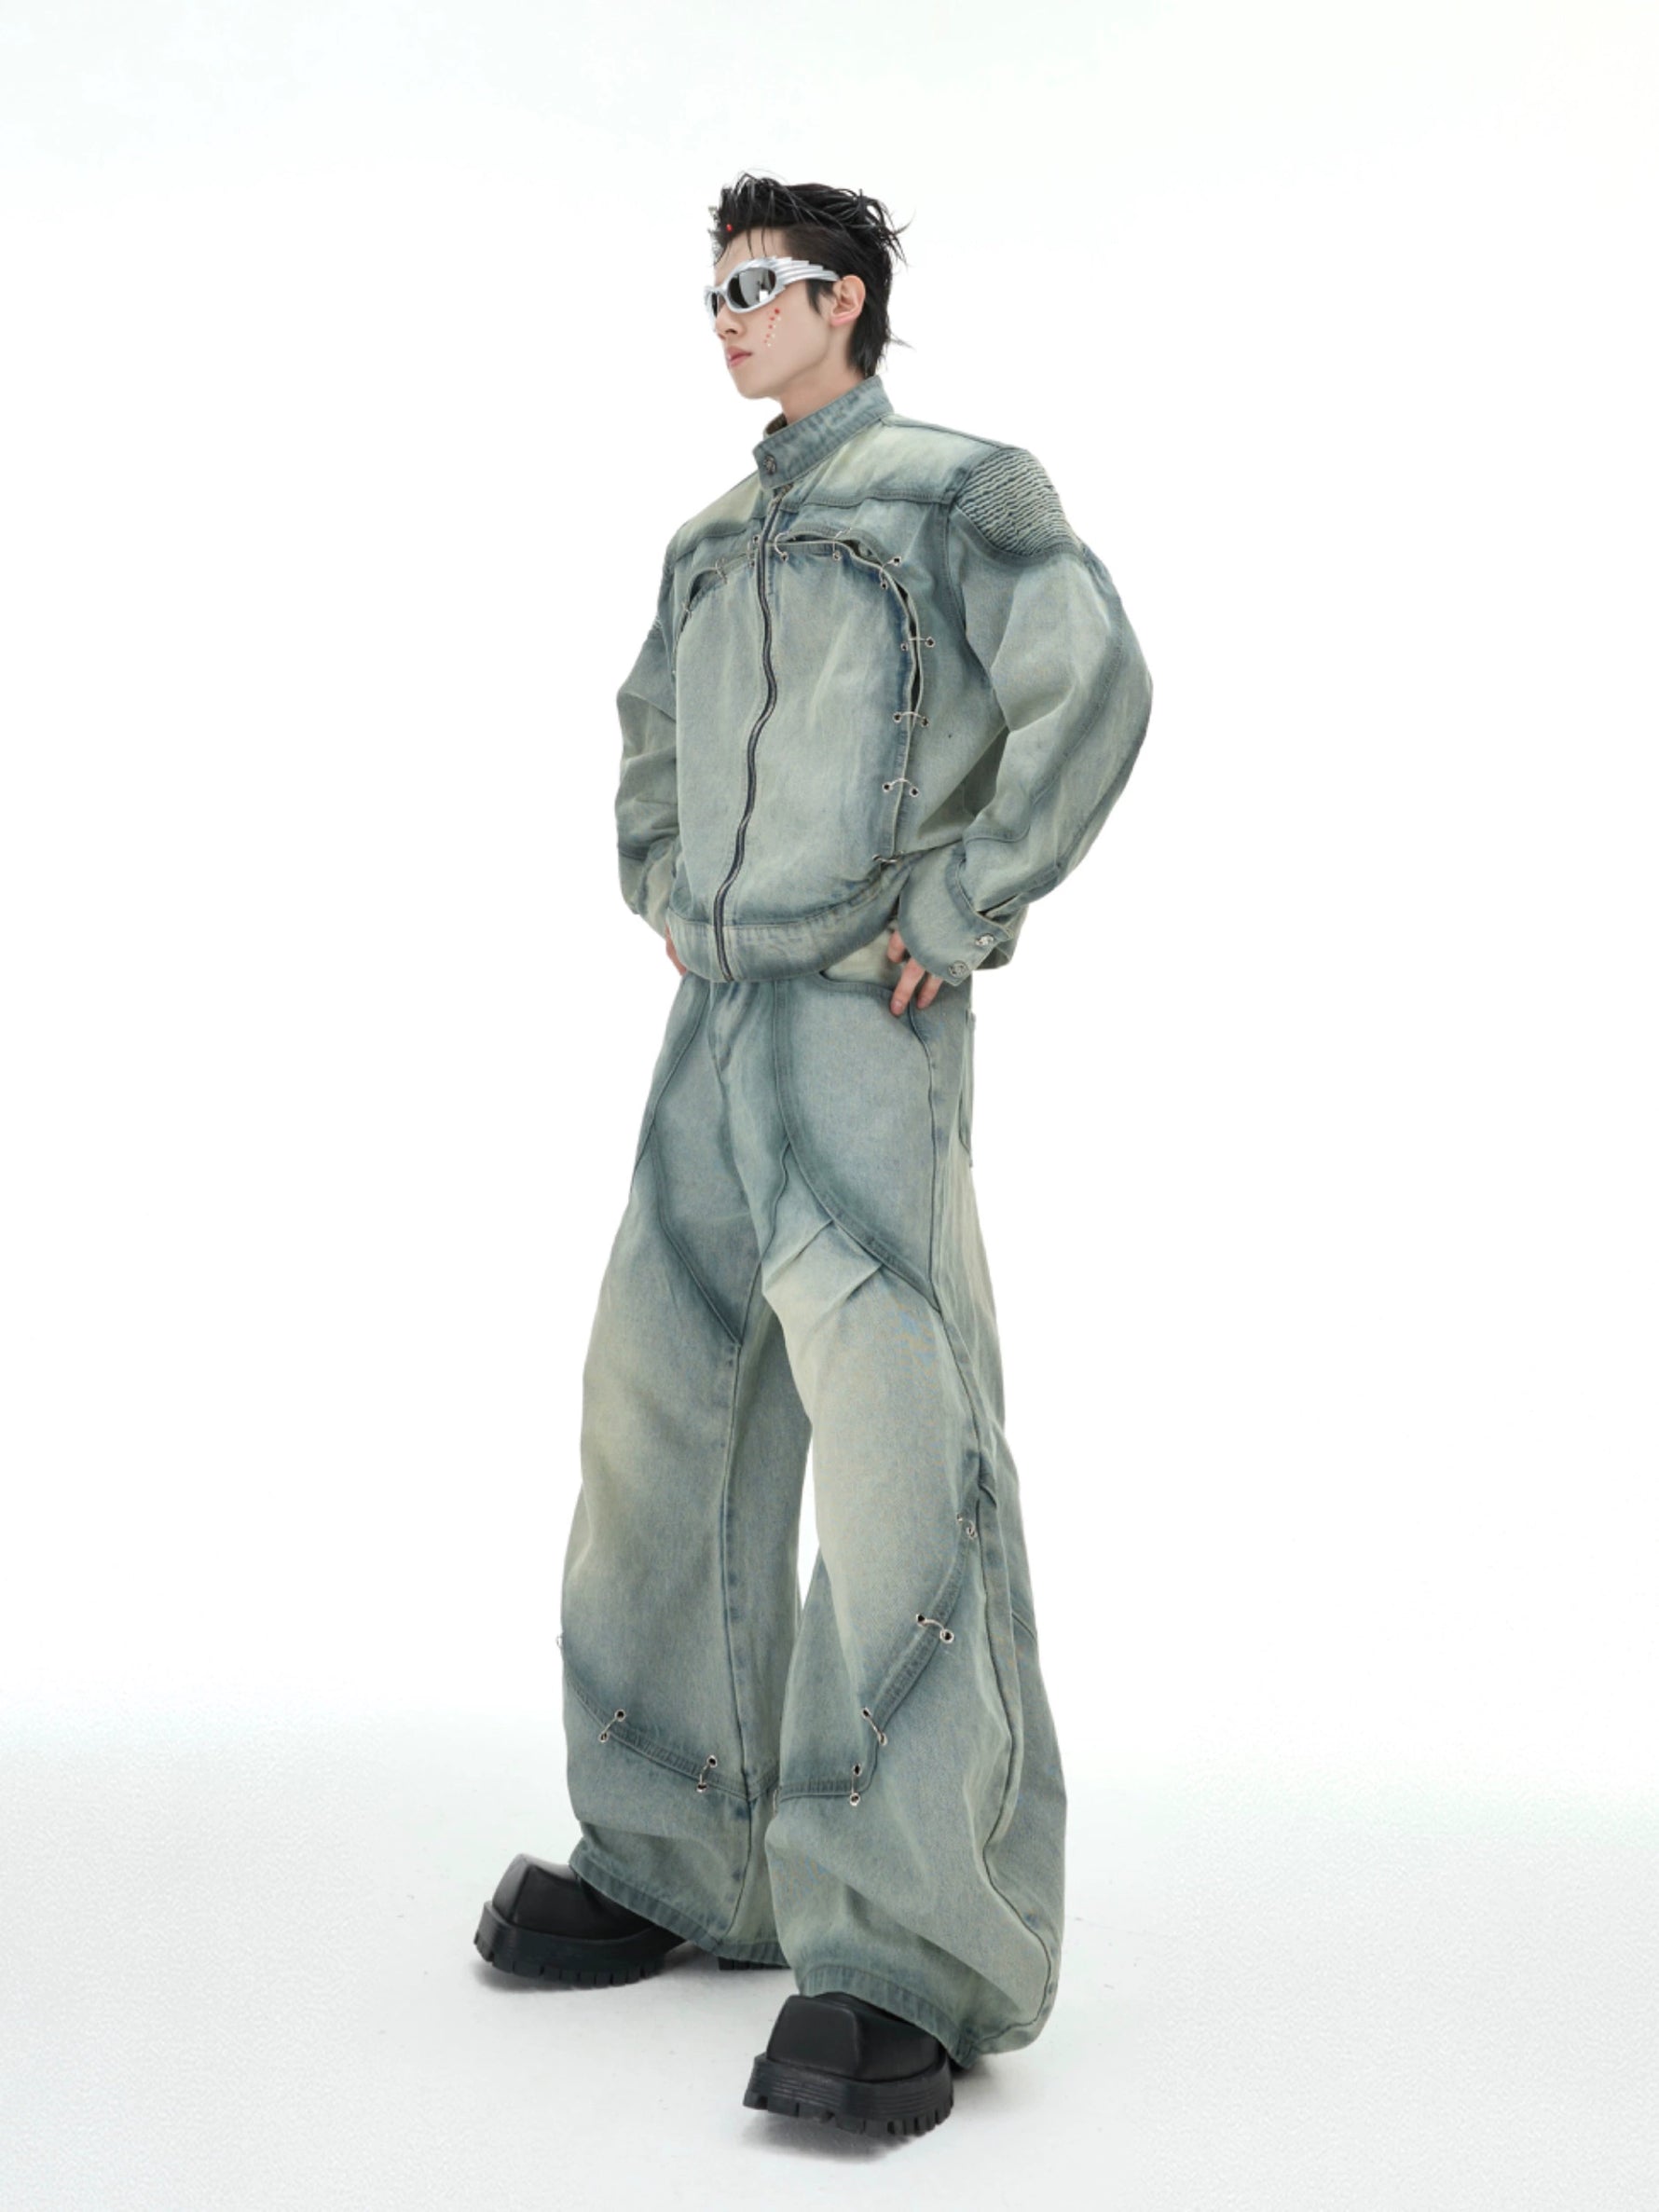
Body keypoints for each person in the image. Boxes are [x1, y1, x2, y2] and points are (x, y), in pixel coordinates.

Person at [474, 172, 1153, 2139]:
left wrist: (964, 897)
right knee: (656, 1412)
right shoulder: (711, 536)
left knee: (894, 1449)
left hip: (867, 1015)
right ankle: (677, 1847)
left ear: (846, 299)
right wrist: (664, 882)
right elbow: (648, 734)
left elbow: (1091, 681)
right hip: (716, 1019)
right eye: (713, 290)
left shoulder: (958, 493)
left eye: (759, 285)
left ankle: (915, 1942)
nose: (728, 316)